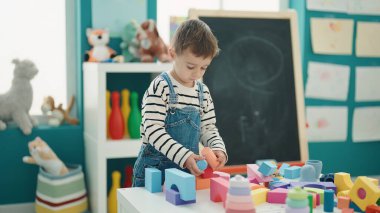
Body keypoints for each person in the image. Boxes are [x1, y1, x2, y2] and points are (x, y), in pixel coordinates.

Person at [132, 19, 228, 187]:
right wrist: (184, 156)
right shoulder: (161, 87)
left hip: (186, 171)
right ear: (173, 54)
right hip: (154, 170)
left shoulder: (203, 93)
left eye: (203, 67)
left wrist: (218, 148)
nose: (197, 74)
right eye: (191, 66)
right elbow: (153, 130)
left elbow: (208, 128)